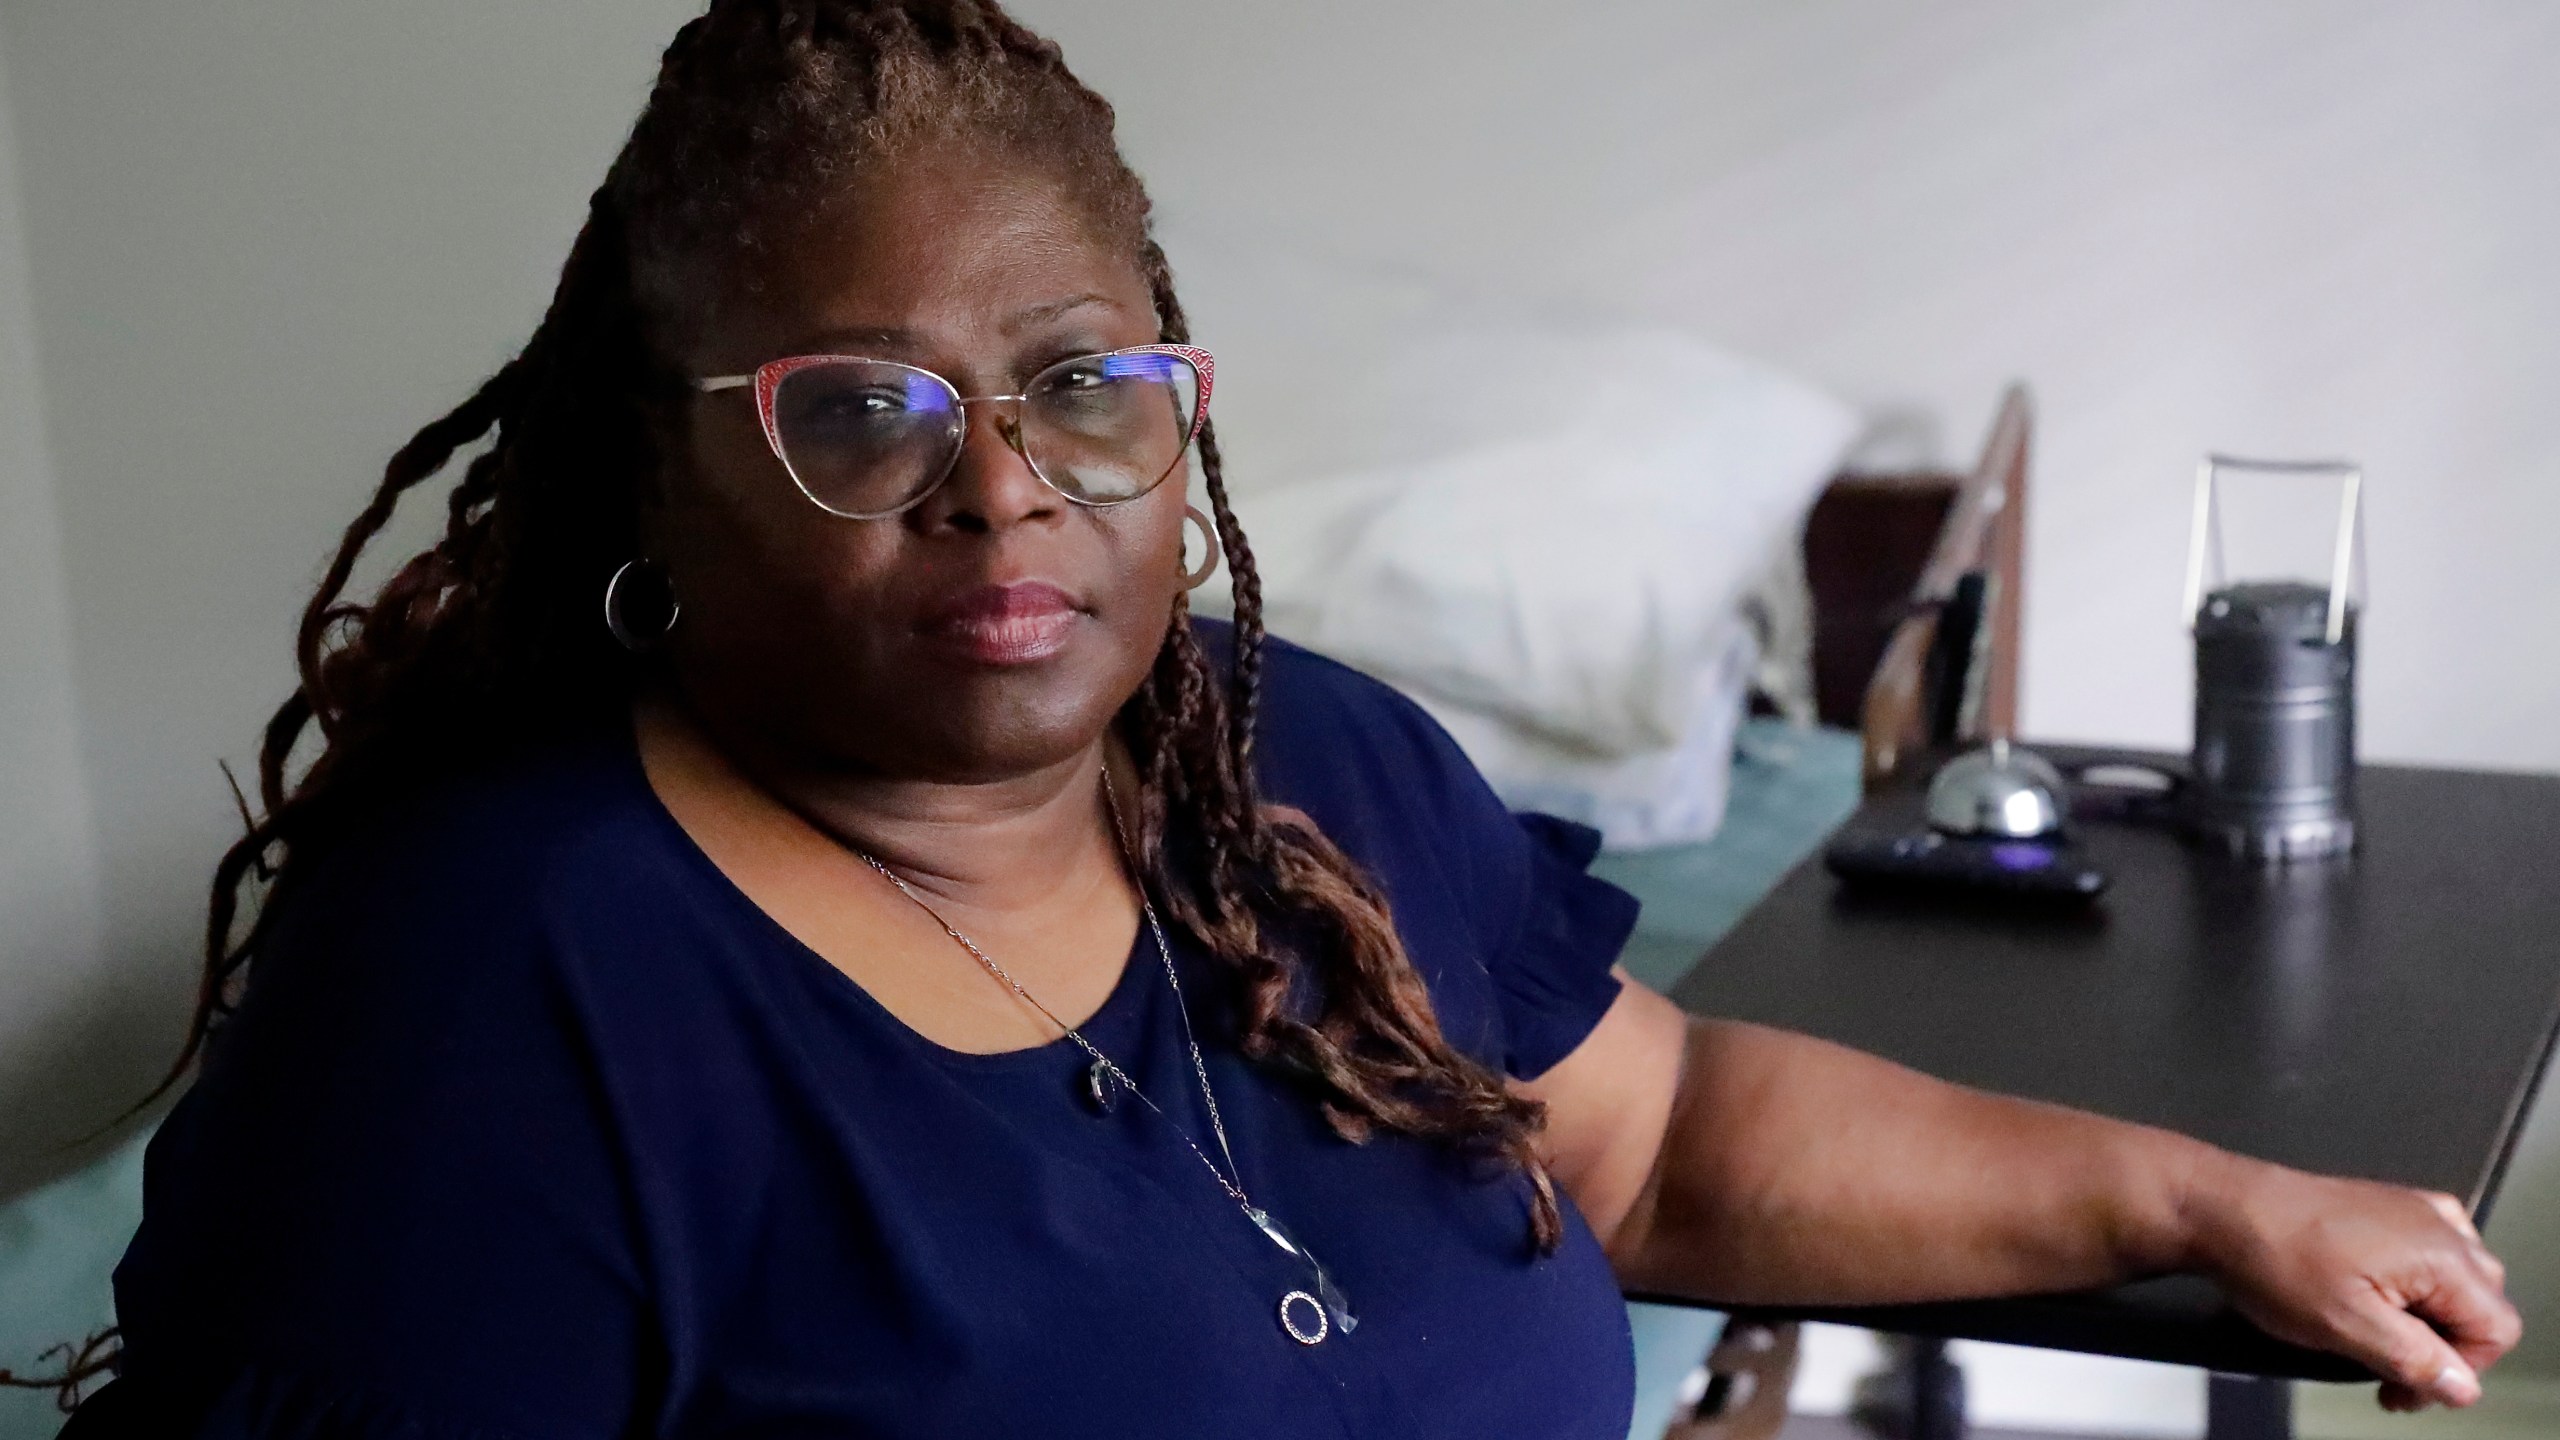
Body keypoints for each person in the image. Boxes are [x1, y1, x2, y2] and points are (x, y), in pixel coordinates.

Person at [31, 2, 2515, 1435]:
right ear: (662, 471)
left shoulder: (1285, 762)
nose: (999, 493)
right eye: (858, 413)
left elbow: (1658, 1135)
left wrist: (2202, 1195)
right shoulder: (500, 986)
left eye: (1079, 387)